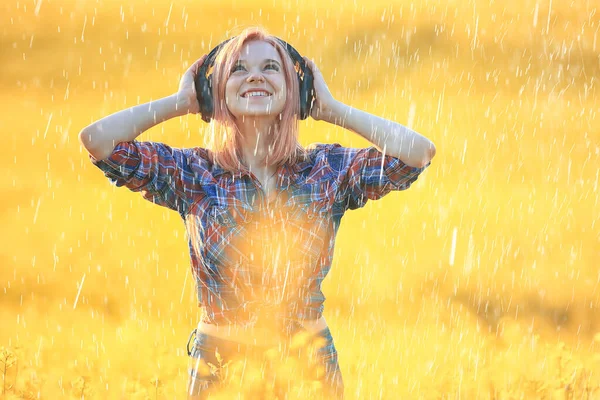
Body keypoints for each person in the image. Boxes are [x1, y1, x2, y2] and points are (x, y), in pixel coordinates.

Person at [79, 26, 435, 399]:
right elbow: (99, 142)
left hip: (307, 368)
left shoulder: (325, 169)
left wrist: (332, 110)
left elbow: (417, 153)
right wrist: (181, 102)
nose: (254, 76)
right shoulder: (194, 173)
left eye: (270, 67)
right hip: (221, 368)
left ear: (295, 91)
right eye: (238, 69)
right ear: (215, 90)